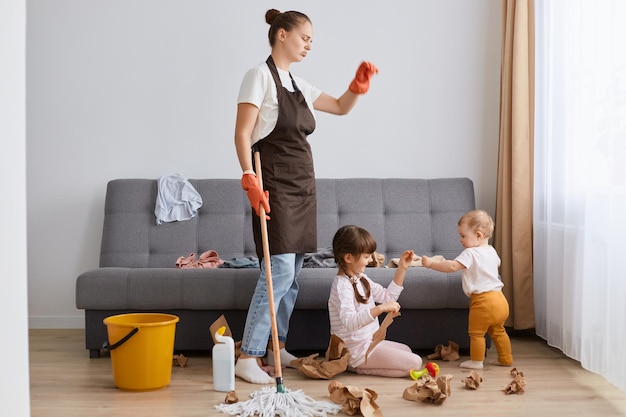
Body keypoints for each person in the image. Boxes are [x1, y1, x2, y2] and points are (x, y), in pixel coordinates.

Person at [234, 9, 379, 384]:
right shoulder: (258, 77)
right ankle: (248, 355)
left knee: (293, 275)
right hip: (274, 184)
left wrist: (357, 87)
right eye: (305, 37)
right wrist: (248, 177)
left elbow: (341, 107)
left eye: (312, 40)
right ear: (281, 34)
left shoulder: (299, 84)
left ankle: (276, 347)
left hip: (302, 185)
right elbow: (242, 133)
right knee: (277, 272)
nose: (309, 45)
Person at [421, 209, 513, 370]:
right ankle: (506, 358)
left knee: (476, 334)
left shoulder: (470, 253)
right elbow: (496, 264)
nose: (460, 240)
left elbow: (451, 266)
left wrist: (430, 264)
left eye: (463, 236)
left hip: (483, 302)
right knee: (499, 331)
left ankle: (476, 362)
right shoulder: (491, 251)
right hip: (500, 300)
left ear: (478, 235)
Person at [328, 225, 423, 377]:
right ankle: (356, 366)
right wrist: (381, 308)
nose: (371, 260)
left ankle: (360, 365)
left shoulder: (361, 278)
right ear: (348, 258)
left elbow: (388, 297)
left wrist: (402, 269)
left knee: (407, 350)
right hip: (358, 351)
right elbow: (350, 321)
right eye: (366, 257)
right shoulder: (342, 286)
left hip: (369, 343)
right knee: (415, 362)